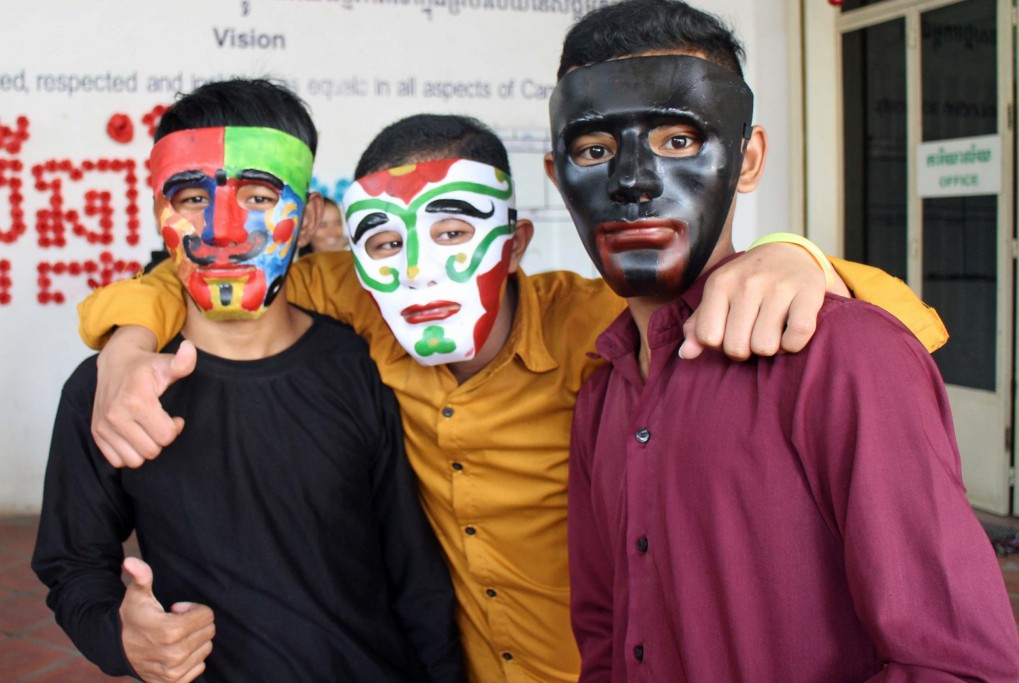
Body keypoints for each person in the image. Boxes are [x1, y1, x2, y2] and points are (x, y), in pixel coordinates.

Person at [75, 116, 947, 682]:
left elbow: (903, 326)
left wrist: (800, 259)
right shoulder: (359, 302)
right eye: (387, 239)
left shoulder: (600, 321)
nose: (421, 268)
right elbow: (212, 272)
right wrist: (126, 338)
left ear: (517, 240)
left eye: (455, 230)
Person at [547, 2, 1019, 680]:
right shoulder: (601, 394)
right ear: (556, 174)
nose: (632, 181)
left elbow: (955, 664)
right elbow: (606, 635)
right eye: (595, 151)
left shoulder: (847, 357)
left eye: (678, 141)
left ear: (748, 159)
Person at [32, 79, 463, 683]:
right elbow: (74, 563)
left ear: (310, 216)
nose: (224, 230)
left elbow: (413, 570)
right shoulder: (109, 390)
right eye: (189, 197)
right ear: (160, 210)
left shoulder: (361, 365)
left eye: (260, 196)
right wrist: (122, 639)